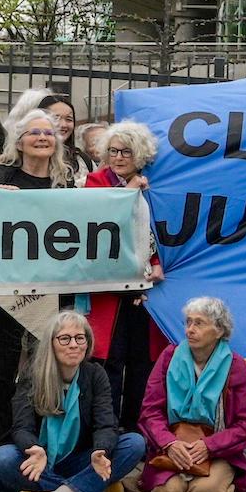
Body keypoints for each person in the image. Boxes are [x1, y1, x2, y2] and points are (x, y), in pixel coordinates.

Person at [0, 310, 146, 492]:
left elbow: (106, 423)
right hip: (39, 461)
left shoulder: (95, 374)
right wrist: (33, 447)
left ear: (87, 343)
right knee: (2, 458)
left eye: (80, 338)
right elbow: (21, 426)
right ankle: (90, 489)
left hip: (81, 460)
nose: (73, 345)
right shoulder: (32, 375)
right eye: (65, 339)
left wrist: (101, 450)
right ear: (51, 344)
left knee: (134, 443)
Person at [141, 296, 246, 492]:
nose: (190, 330)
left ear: (220, 330)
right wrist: (169, 444)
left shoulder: (235, 365)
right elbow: (150, 411)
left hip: (217, 448)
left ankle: (212, 478)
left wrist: (209, 446)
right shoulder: (169, 357)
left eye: (199, 323)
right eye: (188, 322)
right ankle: (183, 480)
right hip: (172, 445)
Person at [82, 121, 164, 421]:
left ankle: (135, 429)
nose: (118, 157)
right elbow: (102, 220)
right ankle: (107, 430)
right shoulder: (96, 180)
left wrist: (155, 263)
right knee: (110, 360)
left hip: (148, 286)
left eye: (126, 152)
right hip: (110, 289)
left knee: (143, 362)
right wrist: (129, 193)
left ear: (139, 154)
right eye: (113, 151)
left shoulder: (155, 181)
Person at [0, 109, 70, 189]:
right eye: (34, 133)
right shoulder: (2, 178)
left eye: (49, 133)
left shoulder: (65, 182)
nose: (42, 138)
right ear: (19, 144)